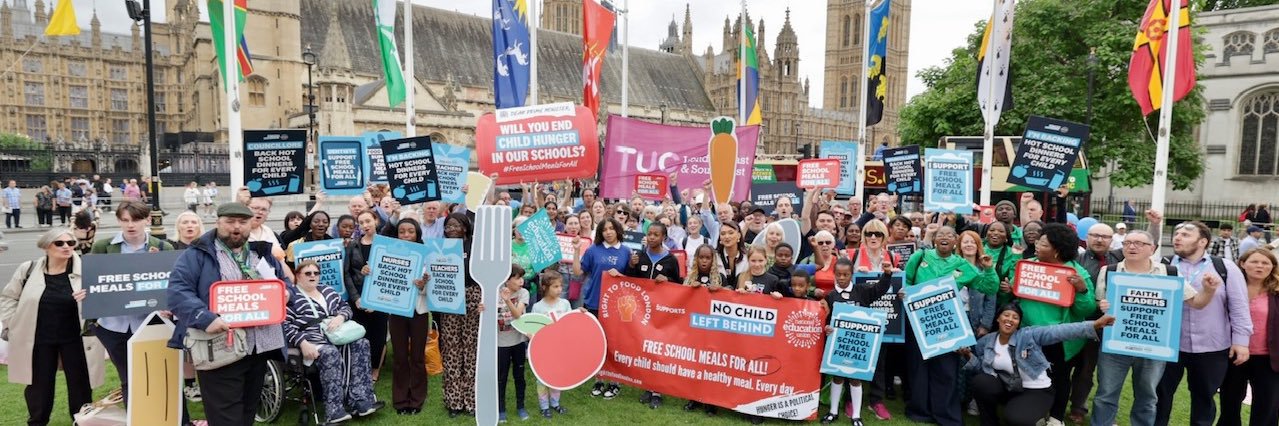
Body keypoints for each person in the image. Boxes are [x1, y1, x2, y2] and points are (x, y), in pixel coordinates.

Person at [167, 202, 290, 426]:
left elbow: (283, 283)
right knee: (225, 417)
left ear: (251, 224)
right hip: (220, 347)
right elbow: (178, 292)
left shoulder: (261, 252)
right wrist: (206, 318)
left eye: (242, 222)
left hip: (258, 347)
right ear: (217, 223)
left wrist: (286, 294)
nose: (236, 227)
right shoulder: (196, 254)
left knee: (247, 412)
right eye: (230, 222)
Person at [1090, 230, 1217, 426]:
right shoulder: (1109, 271)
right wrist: (1102, 306)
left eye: (1139, 243)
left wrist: (1209, 291)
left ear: (1153, 249)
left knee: (1148, 398)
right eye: (1128, 243)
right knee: (1105, 394)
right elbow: (1100, 302)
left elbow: (1197, 302)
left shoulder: (1169, 272)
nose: (1132, 247)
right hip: (1116, 343)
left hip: (1153, 347)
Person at [0, 228, 104, 425]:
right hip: (38, 338)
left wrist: (91, 297)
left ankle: (81, 421)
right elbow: (9, 297)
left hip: (76, 338)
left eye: (71, 243)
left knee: (81, 384)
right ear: (46, 246)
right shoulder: (28, 269)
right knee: (39, 386)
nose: (67, 247)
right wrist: (11, 323)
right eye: (60, 243)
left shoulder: (87, 270)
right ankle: (37, 421)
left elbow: (105, 296)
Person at [1155, 221, 1253, 426]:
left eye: (1186, 234)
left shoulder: (1225, 267)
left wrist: (1241, 342)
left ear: (1202, 242)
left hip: (1212, 346)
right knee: (1160, 396)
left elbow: (1239, 307)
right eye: (1177, 233)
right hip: (1169, 346)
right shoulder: (1163, 265)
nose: (1178, 237)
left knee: (1204, 399)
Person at [902, 226, 998, 425]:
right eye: (940, 235)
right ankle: (919, 410)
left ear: (956, 242)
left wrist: (989, 269)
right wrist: (905, 291)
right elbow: (907, 280)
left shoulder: (963, 265)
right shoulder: (920, 257)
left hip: (947, 323)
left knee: (945, 370)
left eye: (949, 235)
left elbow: (989, 287)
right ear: (934, 239)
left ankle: (945, 414)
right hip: (919, 322)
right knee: (919, 368)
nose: (944, 238)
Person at [965, 302, 1116, 426]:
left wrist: (1094, 325)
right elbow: (981, 368)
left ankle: (1033, 416)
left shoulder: (1028, 335)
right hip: (1010, 387)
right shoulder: (987, 341)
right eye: (1006, 315)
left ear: (1019, 323)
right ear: (998, 318)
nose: (1009, 320)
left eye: (1015, 317)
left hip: (1036, 390)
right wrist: (967, 355)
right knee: (981, 382)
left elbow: (1059, 331)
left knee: (1015, 419)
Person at [89, 201, 176, 406]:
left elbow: (172, 284)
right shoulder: (103, 247)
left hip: (151, 323)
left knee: (158, 375)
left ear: (147, 220)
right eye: (125, 220)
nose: (131, 225)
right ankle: (135, 417)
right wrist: (87, 292)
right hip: (113, 325)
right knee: (128, 378)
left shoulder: (163, 247)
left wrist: (168, 305)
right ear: (119, 220)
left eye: (136, 220)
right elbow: (95, 280)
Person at [1011, 223, 1095, 426]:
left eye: (1043, 244)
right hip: (1029, 335)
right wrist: (1009, 286)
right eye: (1038, 242)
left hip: (1060, 339)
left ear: (1057, 250)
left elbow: (1086, 310)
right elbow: (1015, 293)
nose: (1037, 246)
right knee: (1031, 375)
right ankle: (1037, 412)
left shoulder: (1078, 273)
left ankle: (1056, 417)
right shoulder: (1028, 266)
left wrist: (1082, 291)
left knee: (1060, 377)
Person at [283, 261, 381, 423]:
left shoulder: (327, 290)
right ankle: (334, 410)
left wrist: (340, 317)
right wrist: (302, 343)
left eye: (316, 273)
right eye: (308, 273)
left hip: (338, 334)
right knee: (330, 353)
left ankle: (360, 400)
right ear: (298, 276)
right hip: (312, 339)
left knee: (362, 344)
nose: (313, 276)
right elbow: (284, 325)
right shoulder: (291, 297)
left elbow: (345, 307)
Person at [821, 257, 895, 426]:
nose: (841, 278)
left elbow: (880, 289)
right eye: (838, 274)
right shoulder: (831, 295)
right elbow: (827, 319)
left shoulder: (862, 291)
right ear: (834, 274)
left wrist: (887, 273)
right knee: (837, 376)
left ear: (851, 275)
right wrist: (827, 328)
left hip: (859, 344)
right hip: (839, 344)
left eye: (845, 274)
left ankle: (856, 415)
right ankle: (833, 412)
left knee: (855, 378)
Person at [1217, 248, 1279, 426]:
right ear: (1243, 264)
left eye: (1265, 263)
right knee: (1230, 403)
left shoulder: (1276, 291)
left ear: (1272, 267)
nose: (1259, 266)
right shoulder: (1228, 288)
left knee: (1267, 407)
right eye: (1254, 261)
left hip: (1268, 359)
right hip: (1234, 356)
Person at [575, 217, 630, 399]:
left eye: (611, 228)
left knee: (614, 344)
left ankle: (614, 382)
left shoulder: (626, 252)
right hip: (594, 302)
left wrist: (621, 275)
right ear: (600, 232)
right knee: (598, 343)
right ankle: (599, 379)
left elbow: (633, 281)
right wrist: (576, 251)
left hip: (617, 305)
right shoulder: (593, 250)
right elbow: (578, 273)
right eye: (604, 229)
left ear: (617, 230)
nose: (608, 232)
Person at [437, 213, 482, 417]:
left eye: (456, 225)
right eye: (447, 226)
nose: (451, 229)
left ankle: (472, 400)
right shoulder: (439, 248)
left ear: (465, 227)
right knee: (452, 350)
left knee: (471, 350)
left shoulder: (475, 245)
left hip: (473, 296)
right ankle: (454, 400)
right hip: (448, 298)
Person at [386, 218, 431, 415]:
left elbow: (433, 287)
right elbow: (382, 280)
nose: (406, 235)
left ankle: (417, 399)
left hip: (418, 311)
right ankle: (401, 400)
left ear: (417, 234)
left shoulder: (427, 255)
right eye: (402, 231)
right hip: (397, 312)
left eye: (410, 231)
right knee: (400, 357)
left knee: (418, 357)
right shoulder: (388, 253)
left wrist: (422, 286)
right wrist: (368, 271)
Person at [345, 211, 389, 383]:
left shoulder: (386, 244)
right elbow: (347, 273)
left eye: (368, 221)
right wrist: (356, 298)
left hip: (381, 298)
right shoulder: (352, 245)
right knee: (361, 335)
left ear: (376, 221)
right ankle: (361, 367)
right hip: (358, 297)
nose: (365, 225)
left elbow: (390, 272)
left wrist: (376, 301)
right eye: (361, 222)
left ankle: (375, 369)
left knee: (379, 335)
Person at [531, 270, 575, 418]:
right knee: (542, 377)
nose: (559, 289)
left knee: (557, 375)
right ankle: (544, 406)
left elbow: (570, 322)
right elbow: (534, 328)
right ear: (544, 287)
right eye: (555, 286)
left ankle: (555, 403)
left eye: (560, 286)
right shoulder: (538, 307)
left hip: (560, 348)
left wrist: (580, 314)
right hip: (544, 349)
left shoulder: (565, 304)